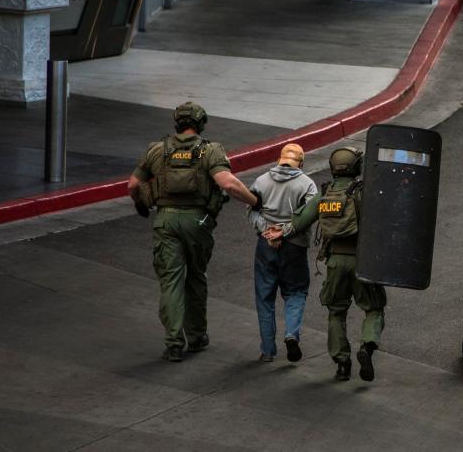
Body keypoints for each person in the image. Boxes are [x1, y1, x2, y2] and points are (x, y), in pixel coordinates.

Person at [128, 102, 262, 362]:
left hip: (165, 222)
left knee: (170, 281)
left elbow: (133, 185)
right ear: (201, 124)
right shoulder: (211, 151)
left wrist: (140, 202)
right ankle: (197, 336)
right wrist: (254, 202)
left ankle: (174, 342)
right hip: (198, 223)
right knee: (196, 277)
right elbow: (228, 184)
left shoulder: (157, 150)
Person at [265, 147, 386, 382]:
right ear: (357, 167)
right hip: (362, 261)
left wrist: (279, 232)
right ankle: (367, 347)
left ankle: (342, 364)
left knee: (336, 312)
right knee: (373, 307)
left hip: (334, 262)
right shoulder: (365, 193)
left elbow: (299, 221)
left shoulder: (325, 194)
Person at [246, 143, 318, 363]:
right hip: (294, 247)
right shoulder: (307, 184)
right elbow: (310, 214)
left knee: (264, 297)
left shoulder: (260, 181)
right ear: (301, 163)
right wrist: (285, 233)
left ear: (279, 159)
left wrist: (267, 232)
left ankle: (268, 351)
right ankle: (291, 334)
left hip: (265, 246)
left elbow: (251, 210)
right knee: (295, 292)